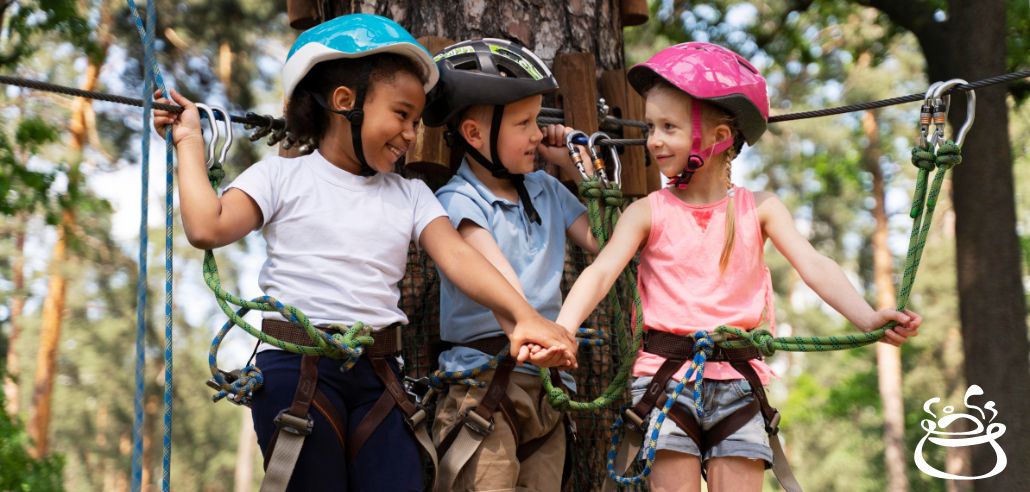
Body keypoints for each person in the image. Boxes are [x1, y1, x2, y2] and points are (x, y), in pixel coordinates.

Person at [153, 15, 576, 491]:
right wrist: (189, 142)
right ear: (344, 103)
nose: (411, 133)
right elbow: (207, 226)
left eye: (416, 120)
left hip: (379, 375)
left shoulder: (410, 195)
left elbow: (458, 257)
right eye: (401, 114)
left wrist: (523, 317)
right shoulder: (281, 178)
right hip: (298, 370)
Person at [554, 42, 923, 492]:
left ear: (720, 138)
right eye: (651, 126)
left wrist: (867, 316)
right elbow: (601, 270)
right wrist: (564, 327)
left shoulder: (759, 209)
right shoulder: (647, 211)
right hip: (665, 379)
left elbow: (813, 264)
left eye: (668, 127)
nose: (652, 139)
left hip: (738, 382)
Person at [420, 38, 599, 491]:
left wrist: (577, 170)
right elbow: (497, 274)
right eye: (524, 123)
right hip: (482, 387)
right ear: (475, 135)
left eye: (539, 121)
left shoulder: (547, 189)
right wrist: (539, 328)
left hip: (548, 391)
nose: (539, 135)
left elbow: (604, 242)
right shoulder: (458, 200)